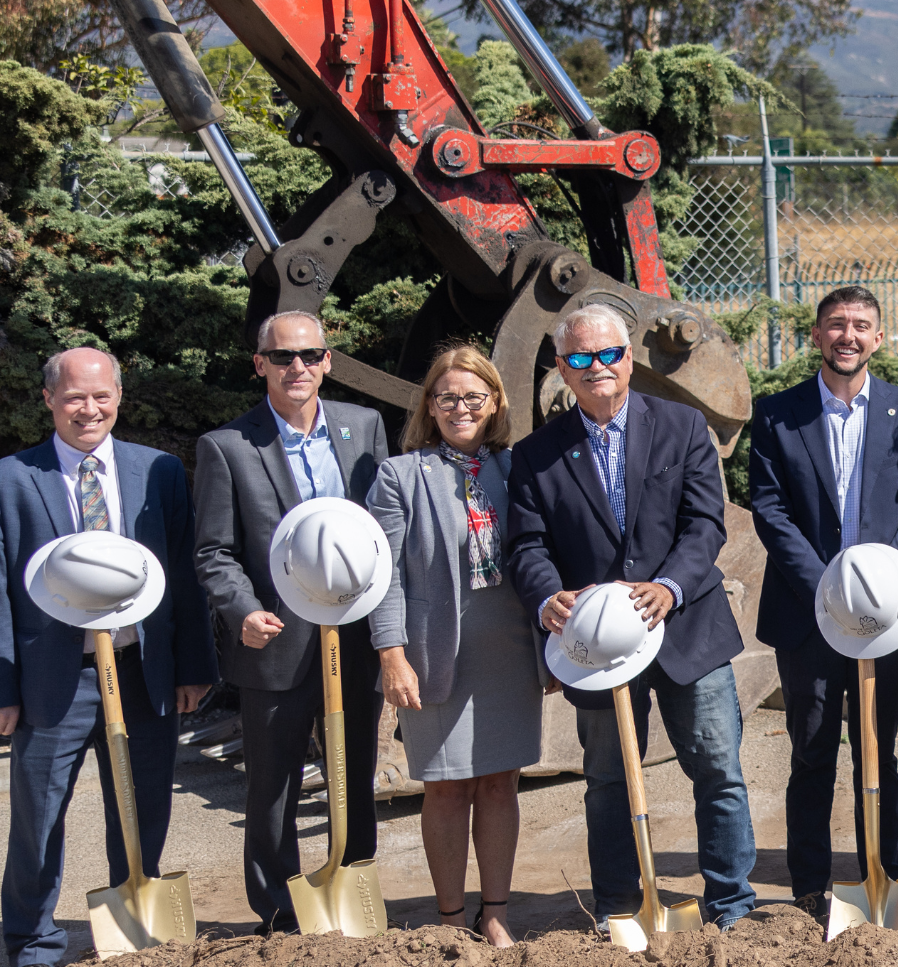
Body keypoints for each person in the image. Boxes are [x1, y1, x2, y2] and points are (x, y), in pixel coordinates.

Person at [505, 305, 755, 930]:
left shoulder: (682, 425)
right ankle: (620, 905)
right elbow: (527, 547)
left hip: (687, 631)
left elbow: (705, 524)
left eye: (609, 354)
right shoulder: (537, 454)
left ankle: (731, 903)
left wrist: (669, 586)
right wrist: (545, 599)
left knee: (718, 769)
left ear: (628, 358)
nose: (598, 369)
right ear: (562, 367)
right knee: (610, 780)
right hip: (595, 641)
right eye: (581, 359)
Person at [0, 348, 214, 966]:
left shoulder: (160, 472)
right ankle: (31, 941)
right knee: (37, 819)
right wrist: (3, 687)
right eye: (73, 398)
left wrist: (193, 668)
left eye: (101, 397)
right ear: (49, 401)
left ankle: (135, 935)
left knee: (143, 810)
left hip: (143, 675)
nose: (88, 410)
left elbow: (181, 576)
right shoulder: (14, 479)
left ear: (119, 397)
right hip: (53, 680)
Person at [744, 285, 898, 912]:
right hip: (808, 615)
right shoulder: (778, 414)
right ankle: (809, 886)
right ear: (816, 336)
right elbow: (770, 511)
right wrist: (828, 586)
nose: (847, 336)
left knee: (877, 751)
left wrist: (881, 582)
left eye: (860, 326)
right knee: (812, 751)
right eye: (835, 325)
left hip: (887, 616)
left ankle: (881, 876)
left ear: (878, 338)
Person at [193, 311, 389, 932]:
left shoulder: (365, 428)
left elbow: (384, 534)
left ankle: (351, 885)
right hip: (274, 639)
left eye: (310, 355)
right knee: (272, 783)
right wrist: (242, 609)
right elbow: (214, 552)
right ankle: (277, 913)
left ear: (328, 360)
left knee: (353, 766)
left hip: (354, 635)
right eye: (282, 358)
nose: (297, 367)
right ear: (260, 365)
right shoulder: (228, 447)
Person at [366, 344, 542, 946]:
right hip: (433, 652)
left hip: (511, 647)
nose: (461, 407)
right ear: (430, 406)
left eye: (474, 396)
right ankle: (447, 919)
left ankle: (495, 911)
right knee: (445, 785)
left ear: (495, 402)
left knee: (500, 783)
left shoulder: (520, 467)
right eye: (448, 398)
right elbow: (382, 572)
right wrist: (391, 653)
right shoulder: (400, 475)